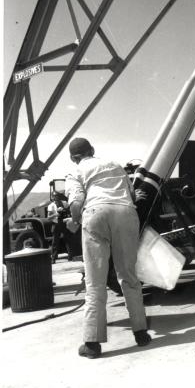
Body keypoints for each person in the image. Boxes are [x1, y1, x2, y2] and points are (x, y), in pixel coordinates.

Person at [65, 137, 150, 359]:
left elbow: (76, 204)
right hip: (125, 213)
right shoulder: (114, 164)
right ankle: (141, 333)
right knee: (129, 276)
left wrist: (74, 219)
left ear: (73, 158)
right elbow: (132, 195)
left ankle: (92, 345)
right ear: (92, 150)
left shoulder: (75, 172)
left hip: (95, 213)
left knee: (95, 283)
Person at [47, 192, 71, 263]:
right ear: (52, 197)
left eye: (57, 196)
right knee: (55, 242)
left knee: (68, 240)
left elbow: (69, 209)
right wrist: (56, 214)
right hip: (56, 224)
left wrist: (65, 211)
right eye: (54, 196)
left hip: (63, 223)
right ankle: (53, 258)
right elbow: (48, 218)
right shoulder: (51, 206)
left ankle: (70, 256)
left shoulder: (64, 203)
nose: (56, 197)